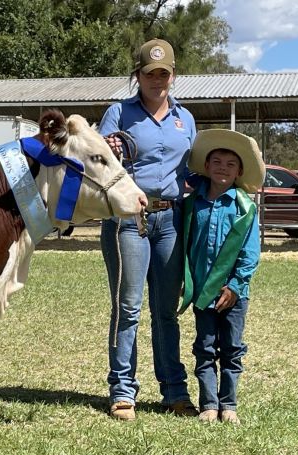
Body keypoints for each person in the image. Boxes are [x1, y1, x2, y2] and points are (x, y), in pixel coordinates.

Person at [98, 39, 197, 421]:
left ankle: (174, 391)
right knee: (128, 308)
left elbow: (189, 172)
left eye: (164, 74)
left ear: (173, 76)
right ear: (137, 76)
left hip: (171, 219)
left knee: (166, 311)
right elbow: (103, 161)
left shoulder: (184, 119)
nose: (158, 80)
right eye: (150, 74)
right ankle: (123, 391)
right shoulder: (118, 113)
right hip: (128, 220)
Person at [180, 129, 263, 425]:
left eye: (230, 164)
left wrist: (237, 285)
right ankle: (208, 405)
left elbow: (250, 253)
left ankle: (229, 405)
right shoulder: (191, 205)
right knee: (204, 348)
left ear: (239, 170)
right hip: (203, 291)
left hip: (234, 295)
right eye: (217, 161)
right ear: (206, 166)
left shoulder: (245, 208)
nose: (223, 168)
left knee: (231, 349)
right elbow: (185, 248)